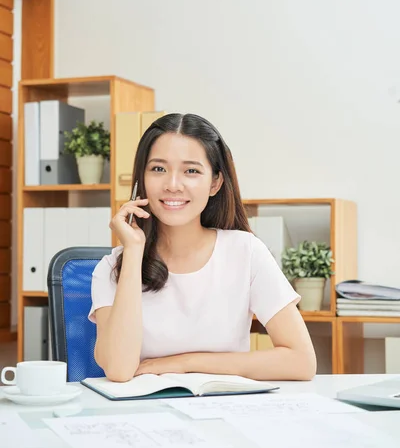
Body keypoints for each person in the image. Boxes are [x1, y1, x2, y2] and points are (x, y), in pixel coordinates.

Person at [89, 113, 316, 383]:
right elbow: (118, 369)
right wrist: (134, 252)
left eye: (191, 171)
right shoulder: (112, 268)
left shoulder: (246, 252)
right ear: (141, 180)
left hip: (224, 412)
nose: (173, 185)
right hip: (146, 414)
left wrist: (185, 363)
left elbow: (301, 362)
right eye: (158, 169)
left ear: (215, 183)